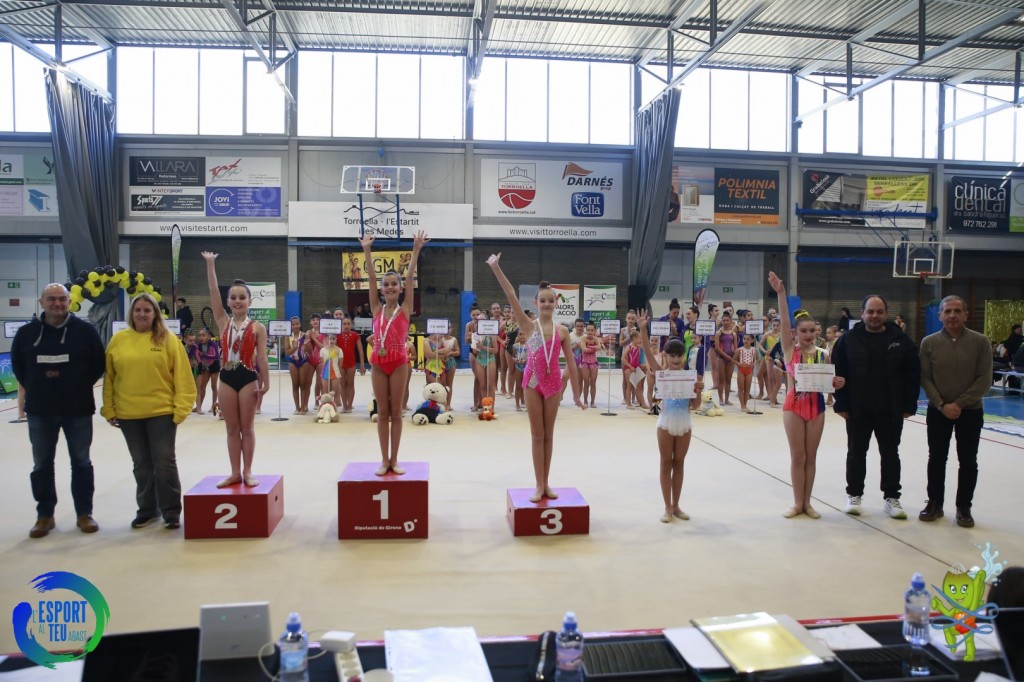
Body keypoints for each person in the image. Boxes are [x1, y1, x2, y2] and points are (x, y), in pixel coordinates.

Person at [11, 283, 105, 538]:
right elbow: (19, 366)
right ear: (41, 302)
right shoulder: (26, 333)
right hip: (40, 410)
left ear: (69, 302)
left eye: (62, 299)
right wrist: (37, 387)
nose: (57, 303)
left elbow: (98, 364)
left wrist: (76, 385)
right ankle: (44, 515)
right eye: (51, 299)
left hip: (77, 409)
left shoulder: (85, 331)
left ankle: (84, 514)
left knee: (81, 462)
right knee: (42, 464)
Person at [488, 254, 584, 502]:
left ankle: (546, 483)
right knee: (537, 435)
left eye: (551, 300)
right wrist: (496, 268)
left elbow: (571, 363)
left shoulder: (563, 331)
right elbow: (510, 294)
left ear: (556, 303)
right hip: (532, 383)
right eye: (543, 301)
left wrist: (576, 394)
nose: (547, 304)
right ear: (536, 302)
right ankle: (538, 485)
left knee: (549, 435)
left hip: (553, 385)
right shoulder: (528, 325)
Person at [101, 293, 196, 530]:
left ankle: (171, 511)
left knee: (164, 463)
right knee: (141, 464)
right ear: (131, 314)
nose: (142, 314)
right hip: (128, 414)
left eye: (147, 310)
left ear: (155, 314)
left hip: (161, 412)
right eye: (138, 310)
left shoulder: (168, 340)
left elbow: (183, 376)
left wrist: (181, 409)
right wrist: (109, 408)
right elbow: (109, 378)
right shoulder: (118, 340)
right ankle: (147, 510)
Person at [832, 294, 920, 519]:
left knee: (890, 453)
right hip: (857, 408)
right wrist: (841, 403)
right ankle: (854, 495)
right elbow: (837, 373)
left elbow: (913, 374)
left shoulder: (900, 339)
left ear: (886, 314)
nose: (875, 315)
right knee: (856, 452)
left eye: (879, 312)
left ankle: (892, 497)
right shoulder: (848, 340)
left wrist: (909, 404)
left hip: (890, 409)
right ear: (862, 313)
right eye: (870, 311)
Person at [768, 273, 845, 519]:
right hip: (794, 405)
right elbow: (784, 321)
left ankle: (807, 503)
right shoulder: (790, 350)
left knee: (811, 457)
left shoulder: (824, 353)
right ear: (795, 332)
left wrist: (838, 383)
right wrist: (781, 293)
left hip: (816, 406)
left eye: (812, 330)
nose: (809, 334)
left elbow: (829, 382)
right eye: (804, 331)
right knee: (797, 456)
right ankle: (796, 503)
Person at [918, 296, 993, 528]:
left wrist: (958, 404)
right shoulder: (929, 343)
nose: (952, 315)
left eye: (957, 311)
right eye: (947, 311)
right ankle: (935, 503)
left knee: (968, 460)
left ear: (966, 315)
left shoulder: (981, 342)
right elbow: (925, 378)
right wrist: (942, 405)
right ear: (939, 315)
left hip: (970, 412)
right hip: (938, 411)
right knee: (936, 458)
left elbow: (984, 379)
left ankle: (964, 507)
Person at [362, 230, 428, 476]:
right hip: (379, 364)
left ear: (400, 289)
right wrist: (367, 249)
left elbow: (410, 277)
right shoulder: (376, 309)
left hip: (399, 363)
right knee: (382, 413)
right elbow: (370, 278)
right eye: (386, 284)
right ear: (381, 289)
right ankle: (383, 460)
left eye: (394, 284)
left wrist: (416, 249)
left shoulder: (405, 309)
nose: (390, 287)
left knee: (397, 413)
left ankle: (395, 459)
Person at [201, 252, 270, 487]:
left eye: (242, 297)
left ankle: (248, 471)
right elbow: (213, 292)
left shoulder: (258, 327)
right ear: (228, 301)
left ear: (250, 301)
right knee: (231, 429)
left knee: (247, 428)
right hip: (227, 378)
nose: (237, 301)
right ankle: (234, 473)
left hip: (248, 377)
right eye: (233, 297)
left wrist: (266, 382)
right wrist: (211, 264)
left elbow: (262, 357)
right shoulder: (223, 321)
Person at [637, 310, 704, 523]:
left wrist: (698, 390)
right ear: (665, 356)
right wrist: (643, 329)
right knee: (666, 463)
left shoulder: (690, 377)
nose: (675, 359)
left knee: (679, 464)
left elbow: (695, 406)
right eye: (672, 355)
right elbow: (648, 353)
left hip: (684, 422)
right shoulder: (661, 373)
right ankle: (667, 507)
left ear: (683, 356)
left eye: (679, 355)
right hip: (665, 423)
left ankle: (676, 506)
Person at [338, 317, 366, 413]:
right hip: (340, 363)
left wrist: (362, 364)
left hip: (351, 363)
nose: (346, 326)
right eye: (344, 324)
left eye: (348, 324)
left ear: (352, 325)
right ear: (341, 325)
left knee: (350, 383)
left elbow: (360, 350)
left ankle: (349, 405)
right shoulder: (337, 335)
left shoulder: (355, 335)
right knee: (342, 384)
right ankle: (344, 405)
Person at [284, 316, 311, 414]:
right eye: (293, 324)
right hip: (293, 360)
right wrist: (295, 348)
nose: (295, 326)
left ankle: (303, 407)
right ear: (290, 326)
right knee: (295, 384)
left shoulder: (304, 335)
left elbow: (310, 351)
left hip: (304, 360)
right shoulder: (288, 336)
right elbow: (287, 352)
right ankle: (297, 407)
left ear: (300, 324)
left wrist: (307, 345)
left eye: (297, 324)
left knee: (303, 384)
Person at [194, 327, 220, 414]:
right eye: (199, 335)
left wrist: (205, 355)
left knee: (213, 386)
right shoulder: (199, 344)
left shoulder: (213, 344)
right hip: (206, 367)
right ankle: (199, 406)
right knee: (202, 387)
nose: (201, 337)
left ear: (208, 336)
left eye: (203, 335)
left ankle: (213, 405)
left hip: (214, 367)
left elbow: (216, 356)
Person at [714, 313, 738, 405]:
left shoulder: (733, 334)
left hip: (730, 358)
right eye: (723, 320)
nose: (725, 322)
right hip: (721, 358)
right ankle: (720, 399)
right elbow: (717, 347)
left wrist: (734, 357)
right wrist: (725, 356)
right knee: (721, 380)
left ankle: (727, 399)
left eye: (727, 320)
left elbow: (735, 347)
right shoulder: (718, 333)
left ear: (730, 321)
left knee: (728, 379)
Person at [580, 321, 603, 408]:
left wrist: (589, 348)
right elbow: (583, 349)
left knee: (593, 382)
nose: (590, 332)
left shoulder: (596, 339)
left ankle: (592, 402)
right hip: (585, 363)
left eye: (592, 330)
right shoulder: (583, 338)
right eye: (588, 330)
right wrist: (594, 348)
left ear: (595, 331)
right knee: (586, 382)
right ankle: (585, 401)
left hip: (594, 363)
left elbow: (599, 347)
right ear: (585, 330)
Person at [733, 334, 758, 414]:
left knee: (747, 389)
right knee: (741, 388)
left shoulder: (754, 350)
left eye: (748, 339)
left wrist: (753, 364)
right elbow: (733, 360)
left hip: (749, 371)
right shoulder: (739, 350)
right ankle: (742, 406)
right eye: (744, 339)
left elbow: (757, 360)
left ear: (752, 341)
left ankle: (745, 405)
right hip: (741, 370)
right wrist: (739, 364)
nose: (746, 341)